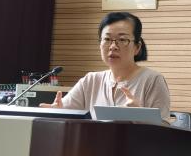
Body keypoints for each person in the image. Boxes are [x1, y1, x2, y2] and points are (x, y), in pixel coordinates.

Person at [41, 11, 171, 121]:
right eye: (107, 39)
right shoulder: (90, 80)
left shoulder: (152, 80)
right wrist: (58, 112)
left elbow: (164, 133)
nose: (113, 46)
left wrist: (140, 117)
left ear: (137, 47)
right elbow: (65, 112)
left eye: (122, 40)